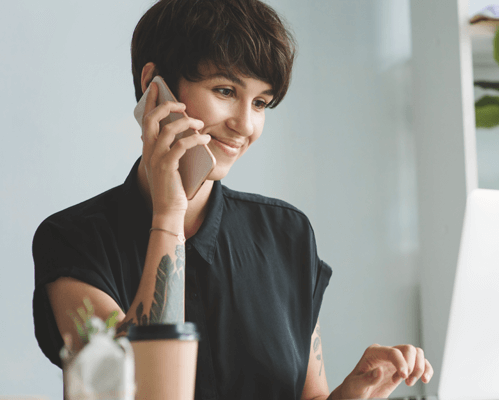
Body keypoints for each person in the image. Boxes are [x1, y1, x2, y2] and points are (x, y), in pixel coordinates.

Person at [31, 0, 433, 398]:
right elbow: (145, 392)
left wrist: (356, 390)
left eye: (260, 103)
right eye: (225, 90)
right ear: (154, 86)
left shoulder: (286, 233)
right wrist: (169, 213)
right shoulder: (72, 241)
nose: (245, 125)